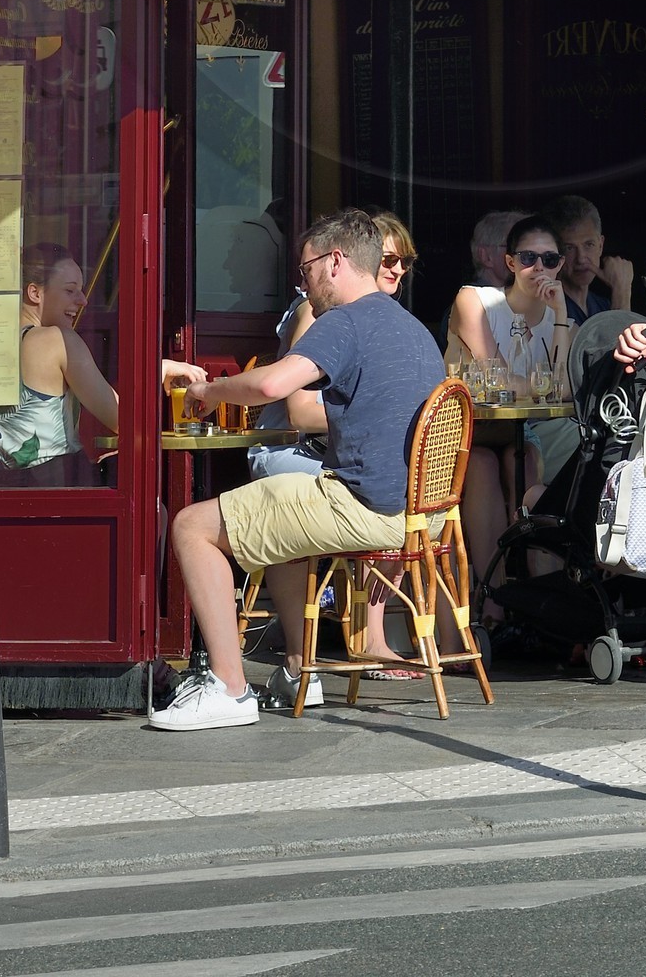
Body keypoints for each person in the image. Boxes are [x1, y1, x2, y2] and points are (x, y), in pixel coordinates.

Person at [149, 209, 445, 731]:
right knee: (279, 514)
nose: (303, 283)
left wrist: (206, 390)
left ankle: (228, 687)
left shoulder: (345, 321)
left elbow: (270, 388)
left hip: (365, 509)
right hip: (427, 515)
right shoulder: (415, 329)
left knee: (192, 526)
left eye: (306, 269)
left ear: (334, 262)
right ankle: (296, 669)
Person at [249, 208, 424, 675]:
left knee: (386, 478)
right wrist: (375, 415)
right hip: (289, 448)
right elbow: (300, 409)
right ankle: (301, 648)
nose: (396, 269)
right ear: (350, 261)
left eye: (404, 261)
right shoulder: (321, 312)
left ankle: (370, 634)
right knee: (345, 493)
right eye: (387, 258)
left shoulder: (395, 325)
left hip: (339, 461)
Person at [0, 244, 206, 478]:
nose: (83, 301)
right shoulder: (58, 340)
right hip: (51, 487)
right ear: (35, 293)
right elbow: (126, 421)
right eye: (70, 291)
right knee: (154, 508)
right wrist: (159, 369)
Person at [448, 215, 575, 583]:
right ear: (509, 263)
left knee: (525, 459)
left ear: (560, 265)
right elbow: (496, 375)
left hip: (516, 430)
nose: (539, 268)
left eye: (550, 260)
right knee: (483, 465)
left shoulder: (563, 323)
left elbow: (565, 390)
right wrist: (543, 385)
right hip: (465, 429)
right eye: (528, 258)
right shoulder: (474, 301)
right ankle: (495, 592)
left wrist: (562, 315)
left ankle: (534, 592)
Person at [545, 193, 633, 325]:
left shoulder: (604, 306)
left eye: (588, 245)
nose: (580, 259)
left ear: (600, 245)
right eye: (569, 248)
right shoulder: (549, 307)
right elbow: (615, 345)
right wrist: (622, 290)